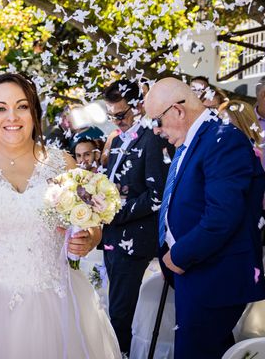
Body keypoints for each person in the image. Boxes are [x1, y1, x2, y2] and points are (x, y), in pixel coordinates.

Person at [0, 73, 119, 358]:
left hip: (58, 300)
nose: (12, 116)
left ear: (34, 113)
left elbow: (91, 224)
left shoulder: (62, 163)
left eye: (22, 106)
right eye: (0, 108)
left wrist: (89, 238)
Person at [146, 78, 265, 358]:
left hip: (214, 276)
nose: (156, 130)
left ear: (177, 110)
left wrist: (178, 256)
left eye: (157, 120)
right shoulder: (194, 142)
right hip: (196, 272)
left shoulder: (223, 140)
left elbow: (222, 216)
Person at [102, 79, 172, 356]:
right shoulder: (117, 139)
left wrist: (115, 212)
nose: (116, 122)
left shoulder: (153, 138)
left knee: (121, 314)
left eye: (120, 115)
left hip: (135, 239)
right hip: (111, 237)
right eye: (111, 116)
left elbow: (157, 194)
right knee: (115, 308)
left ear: (138, 106)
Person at [218, 99, 265, 171]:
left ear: (243, 125)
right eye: (219, 122)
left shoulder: (255, 155)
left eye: (228, 123)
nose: (220, 128)